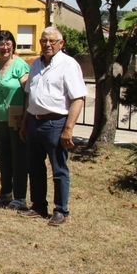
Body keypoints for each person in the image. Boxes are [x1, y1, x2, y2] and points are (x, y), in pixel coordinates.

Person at [20, 27, 87, 226]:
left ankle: (61, 210)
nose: (47, 44)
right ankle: (39, 205)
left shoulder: (69, 64)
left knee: (59, 168)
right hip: (35, 122)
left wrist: (68, 129)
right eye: (44, 41)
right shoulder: (36, 64)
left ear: (61, 43)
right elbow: (30, 97)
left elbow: (78, 98)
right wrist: (25, 123)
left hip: (56, 123)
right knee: (35, 167)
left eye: (51, 41)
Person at [0, 30, 30, 210]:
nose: (5, 47)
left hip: (16, 120)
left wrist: (27, 119)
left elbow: (28, 91)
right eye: (1, 44)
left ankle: (20, 197)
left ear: (13, 45)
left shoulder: (20, 65)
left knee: (18, 158)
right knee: (3, 157)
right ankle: (6, 192)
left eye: (8, 43)